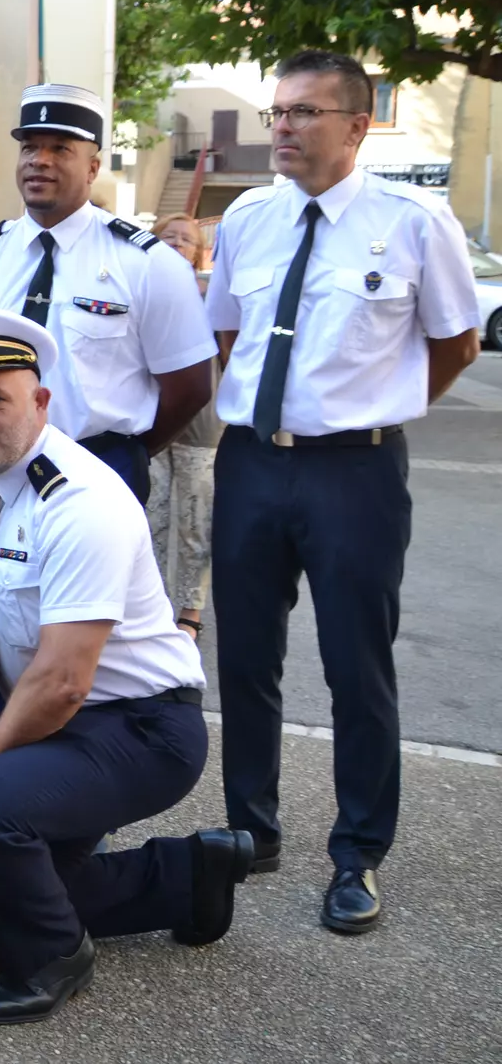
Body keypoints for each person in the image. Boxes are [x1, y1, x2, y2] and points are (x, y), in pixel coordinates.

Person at [206, 49, 480, 934]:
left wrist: (376, 410)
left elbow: (457, 342)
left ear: (358, 125)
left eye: (304, 112)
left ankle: (358, 852)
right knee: (244, 659)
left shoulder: (413, 221)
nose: (282, 126)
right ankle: (251, 828)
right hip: (251, 462)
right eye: (277, 110)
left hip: (354, 471)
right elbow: (229, 337)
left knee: (356, 666)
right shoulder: (248, 217)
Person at [0, 307, 252, 1025]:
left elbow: (64, 678)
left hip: (140, 729)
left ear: (40, 402)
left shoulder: (82, 499)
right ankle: (191, 876)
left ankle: (51, 955)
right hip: (57, 724)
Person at [0, 84, 214, 501]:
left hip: (99, 466)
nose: (40, 161)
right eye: (30, 147)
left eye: (60, 149)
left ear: (93, 168)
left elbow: (191, 386)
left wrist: (130, 451)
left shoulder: (146, 263)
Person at [145, 214, 220, 636]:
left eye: (186, 240)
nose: (177, 243)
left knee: (195, 523)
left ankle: (190, 611)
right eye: (168, 236)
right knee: (150, 519)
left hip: (201, 428)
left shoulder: (212, 296)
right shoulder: (143, 287)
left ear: (197, 252)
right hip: (152, 421)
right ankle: (151, 606)